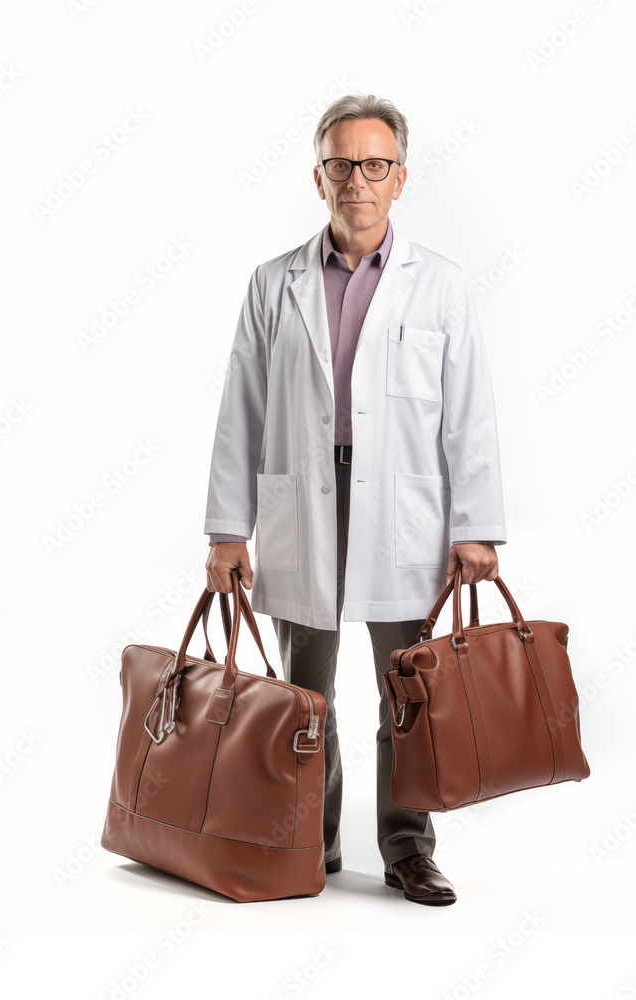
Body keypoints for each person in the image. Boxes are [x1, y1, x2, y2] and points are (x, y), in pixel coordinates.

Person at [203, 93, 507, 905]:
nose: (357, 181)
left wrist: (476, 527)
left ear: (400, 178)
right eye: (341, 164)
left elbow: (469, 414)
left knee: (408, 694)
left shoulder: (440, 285)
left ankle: (408, 849)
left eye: (375, 164)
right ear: (319, 177)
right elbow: (242, 410)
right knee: (305, 696)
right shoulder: (274, 283)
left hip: (405, 510)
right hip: (301, 503)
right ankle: (312, 841)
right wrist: (227, 531)